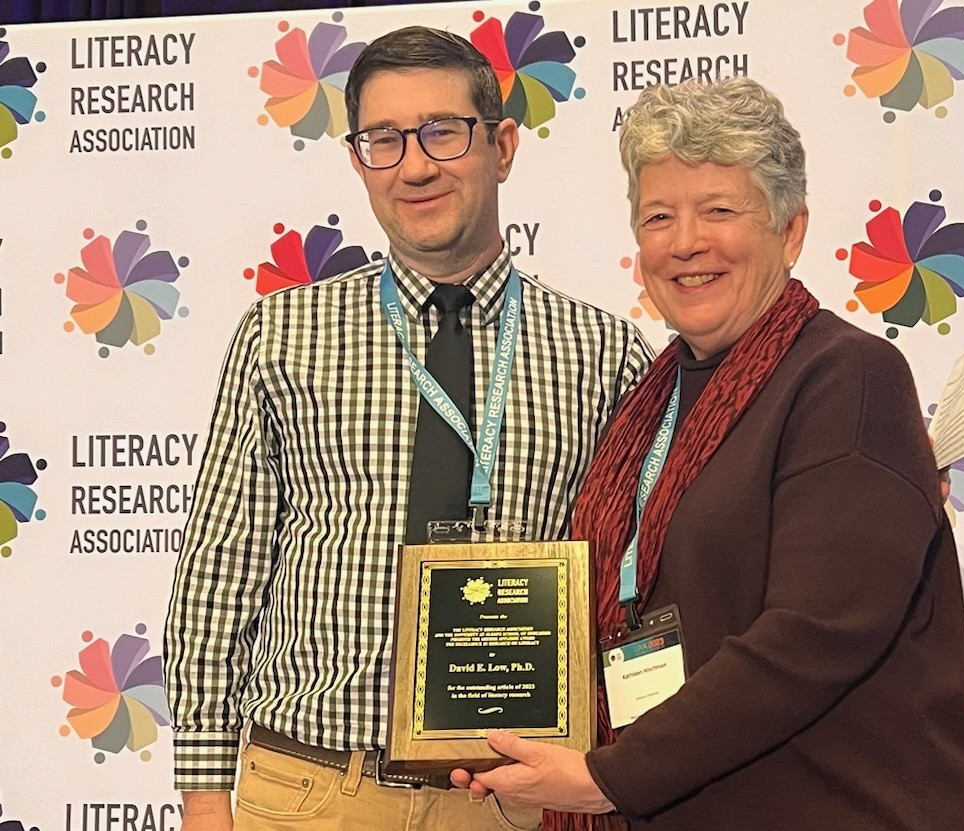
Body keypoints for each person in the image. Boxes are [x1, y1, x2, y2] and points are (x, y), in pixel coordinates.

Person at [451, 77, 964, 830]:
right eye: (659, 216)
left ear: (790, 232)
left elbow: (814, 633)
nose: (685, 242)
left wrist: (611, 776)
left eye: (719, 211)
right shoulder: (655, 396)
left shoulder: (847, 376)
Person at [163, 26, 651, 831]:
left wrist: (629, 772)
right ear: (358, 161)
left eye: (441, 132)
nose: (415, 166)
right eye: (383, 140)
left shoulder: (603, 352)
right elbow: (220, 574)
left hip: (515, 803)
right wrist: (206, 800)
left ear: (502, 146)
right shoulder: (282, 335)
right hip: (312, 791)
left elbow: (638, 582)